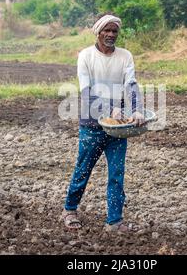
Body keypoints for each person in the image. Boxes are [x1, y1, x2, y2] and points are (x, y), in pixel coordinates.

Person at [62, 13, 144, 232]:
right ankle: (70, 209)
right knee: (83, 169)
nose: (110, 34)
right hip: (92, 126)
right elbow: (86, 94)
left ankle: (114, 221)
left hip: (118, 128)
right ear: (97, 32)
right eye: (106, 30)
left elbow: (132, 85)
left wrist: (136, 110)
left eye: (114, 30)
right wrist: (110, 110)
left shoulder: (125, 56)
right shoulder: (86, 56)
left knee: (117, 173)